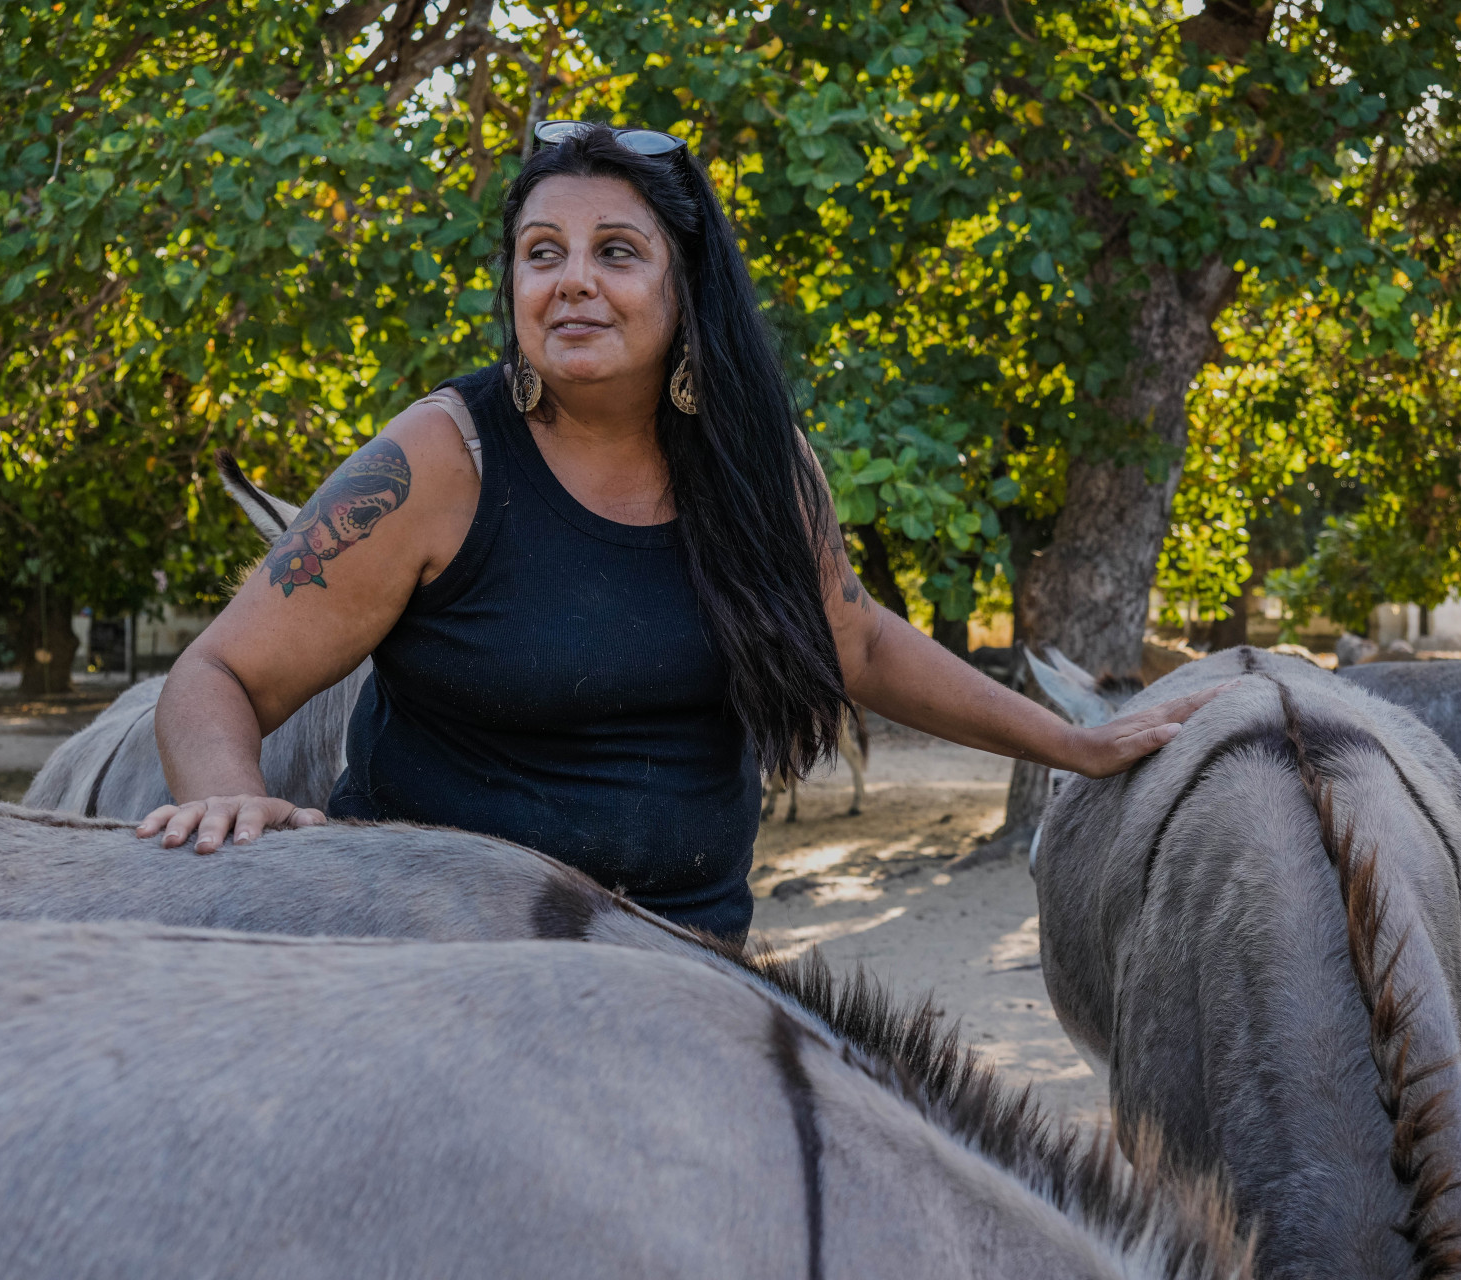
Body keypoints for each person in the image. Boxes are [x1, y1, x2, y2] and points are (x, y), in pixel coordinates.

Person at [139, 121, 1222, 942]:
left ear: (685, 285)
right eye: (541, 253)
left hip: (684, 960)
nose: (572, 281)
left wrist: (1075, 744)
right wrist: (230, 796)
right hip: (435, 949)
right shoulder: (435, 461)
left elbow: (857, 639)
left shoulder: (759, 464)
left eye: (616, 251)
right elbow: (217, 673)